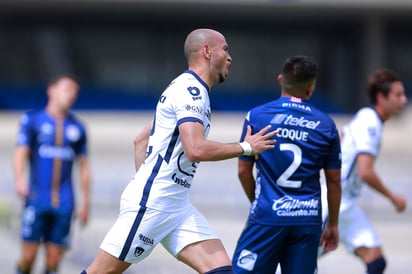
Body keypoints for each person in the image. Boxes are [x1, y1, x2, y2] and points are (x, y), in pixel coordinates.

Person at [82, 28, 277, 274]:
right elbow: (195, 150)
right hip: (155, 202)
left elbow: (141, 140)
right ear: (207, 51)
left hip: (175, 205)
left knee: (221, 270)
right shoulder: (190, 92)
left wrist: (148, 182)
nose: (230, 57)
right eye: (225, 49)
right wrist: (247, 147)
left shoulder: (186, 88)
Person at [232, 55, 342, 274]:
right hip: (307, 219)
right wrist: (332, 225)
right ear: (311, 87)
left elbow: (243, 171)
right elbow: (334, 181)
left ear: (280, 79)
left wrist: (259, 202)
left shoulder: (257, 116)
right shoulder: (326, 125)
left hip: (267, 215)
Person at [321, 68, 407, 274]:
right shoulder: (370, 123)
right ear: (381, 97)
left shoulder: (366, 118)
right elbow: (365, 171)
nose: (403, 100)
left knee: (376, 260)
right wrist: (393, 197)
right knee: (297, 264)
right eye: (398, 95)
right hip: (334, 204)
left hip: (347, 206)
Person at [13, 75, 91, 274]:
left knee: (54, 260)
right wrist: (20, 180)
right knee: (28, 257)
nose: (71, 95)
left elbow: (84, 166)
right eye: (67, 89)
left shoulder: (78, 127)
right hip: (36, 198)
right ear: (52, 90)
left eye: (75, 91)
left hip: (65, 203)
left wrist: (86, 202)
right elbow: (21, 152)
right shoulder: (32, 120)